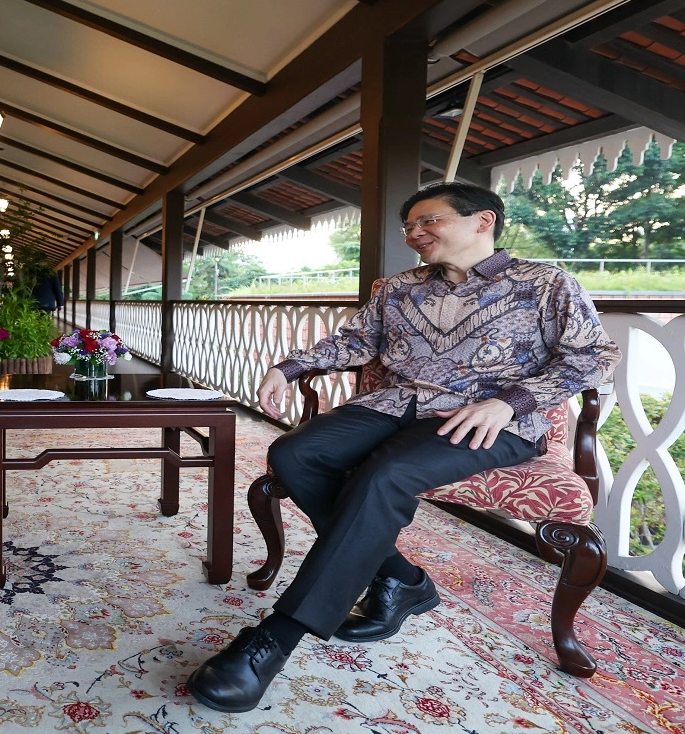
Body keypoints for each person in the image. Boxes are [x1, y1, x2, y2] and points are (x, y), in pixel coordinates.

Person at [186, 182, 620, 713]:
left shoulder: (545, 283)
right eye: (409, 227)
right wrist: (289, 366)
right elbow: (354, 342)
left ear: (482, 221)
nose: (414, 234)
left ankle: (277, 637)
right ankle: (401, 578)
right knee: (295, 454)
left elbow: (592, 357)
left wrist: (510, 402)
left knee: (383, 474)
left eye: (429, 222)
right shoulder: (398, 288)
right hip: (394, 405)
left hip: (485, 420)